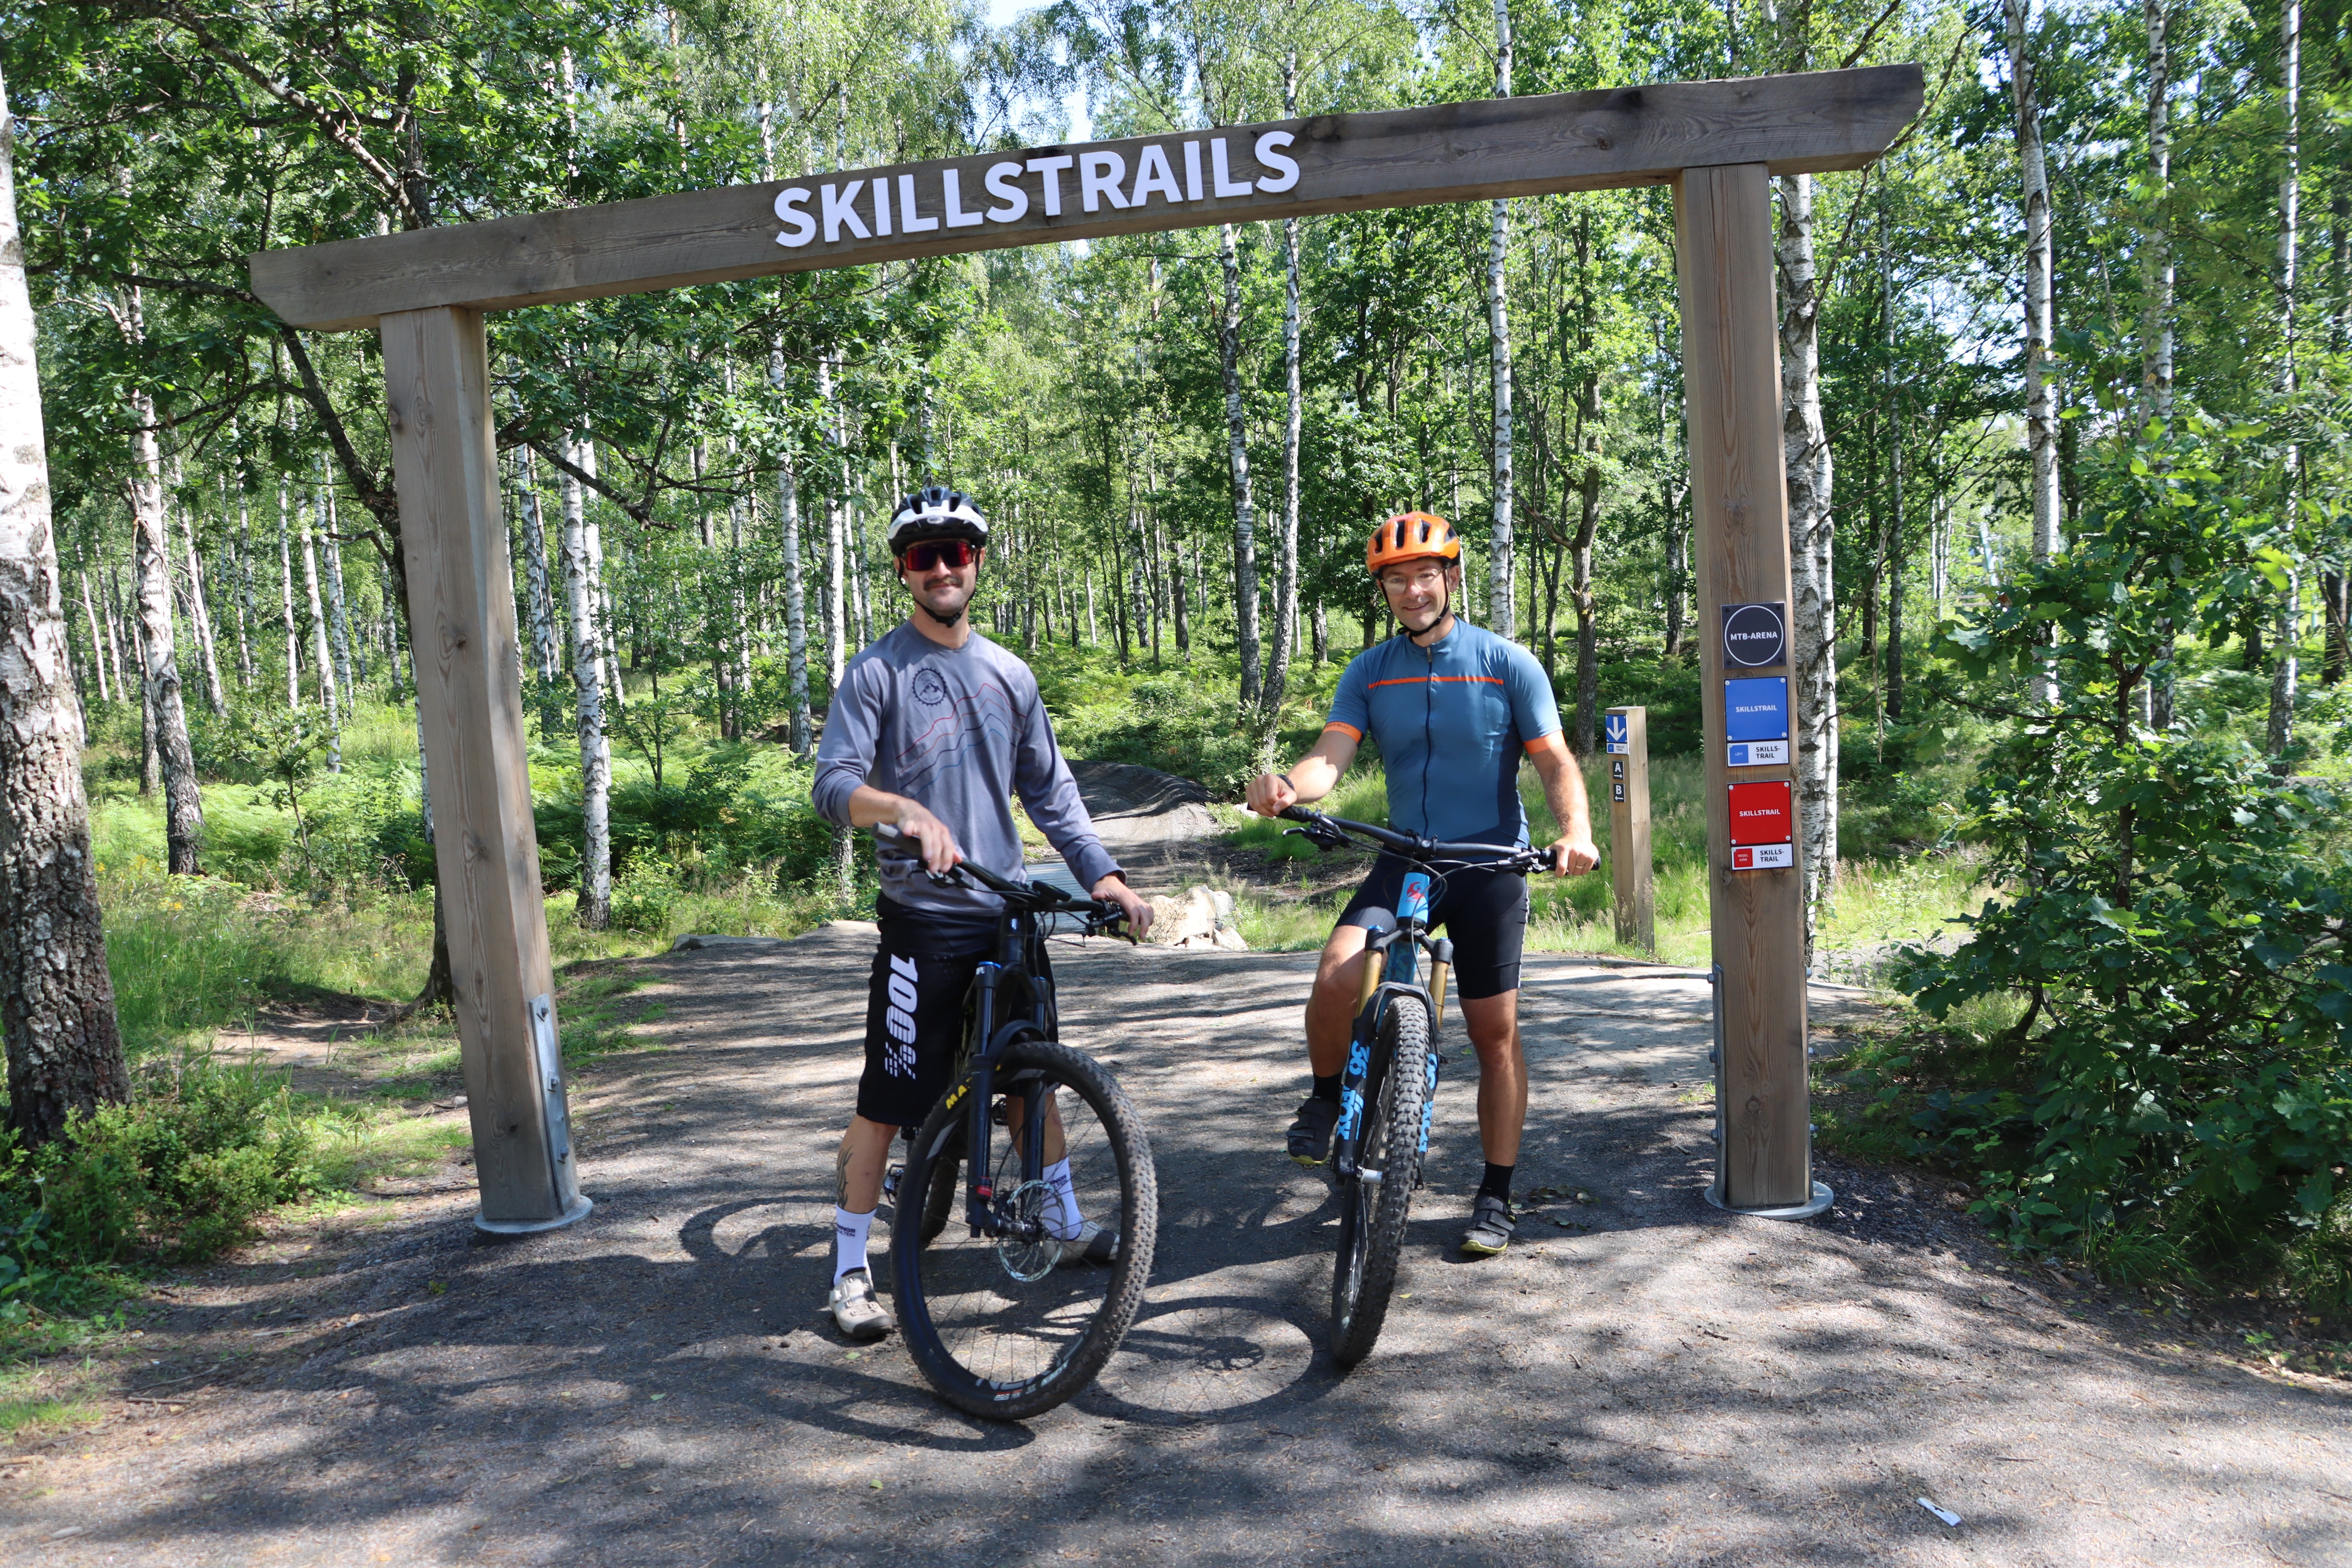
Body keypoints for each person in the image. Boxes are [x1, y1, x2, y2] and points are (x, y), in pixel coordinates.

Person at [811, 486, 1155, 1340]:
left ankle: (1064, 1224)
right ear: (902, 569)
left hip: (1007, 914)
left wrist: (1106, 877)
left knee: (1031, 1082)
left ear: (978, 562)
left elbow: (1052, 792)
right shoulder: (876, 671)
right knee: (890, 1097)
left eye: (954, 552)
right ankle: (851, 1269)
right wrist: (903, 811)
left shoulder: (1009, 673)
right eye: (922, 554)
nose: (940, 567)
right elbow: (833, 786)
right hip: (923, 920)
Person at [1245, 511, 1599, 1259]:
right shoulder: (1371, 671)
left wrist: (1576, 833)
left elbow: (1555, 761)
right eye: (1397, 580)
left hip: (1490, 866)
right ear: (1384, 590)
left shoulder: (1507, 663)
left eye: (1425, 575)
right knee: (1336, 976)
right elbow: (1329, 758)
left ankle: (1496, 1195)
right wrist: (1288, 786)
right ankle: (1324, 1096)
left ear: (1452, 577)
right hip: (1406, 859)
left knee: (1493, 1036)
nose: (1412, 590)